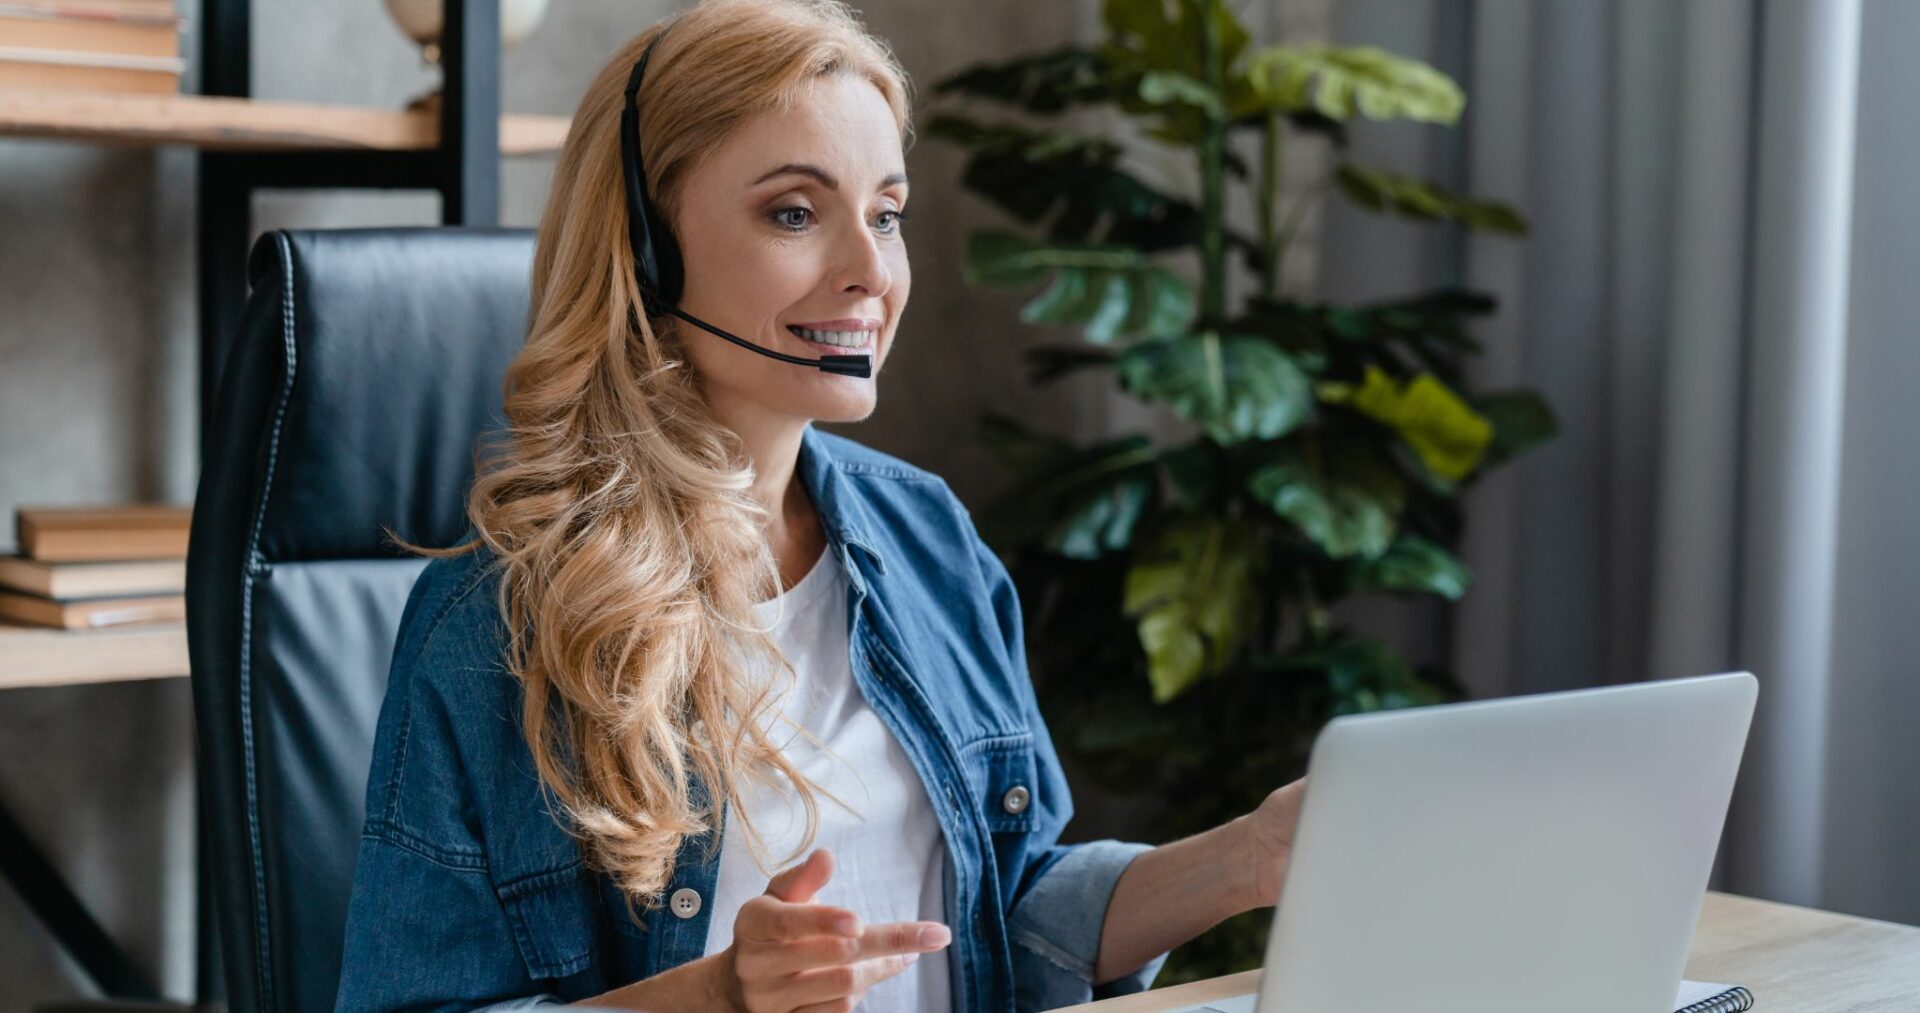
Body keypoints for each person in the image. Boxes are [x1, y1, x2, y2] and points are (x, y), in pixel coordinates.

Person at [332, 1, 1307, 1010]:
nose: (871, 273)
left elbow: (996, 913)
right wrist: (719, 996)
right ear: (648, 249)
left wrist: (1250, 858)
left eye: (886, 213)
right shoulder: (499, 620)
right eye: (796, 212)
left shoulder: (927, 538)